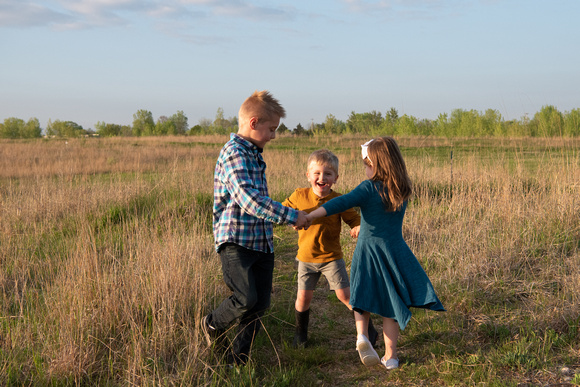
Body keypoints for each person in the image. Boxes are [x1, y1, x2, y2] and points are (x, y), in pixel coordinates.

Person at [304, 137, 445, 370]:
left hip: (368, 251)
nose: (366, 169)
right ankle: (391, 358)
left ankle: (362, 336)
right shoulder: (402, 188)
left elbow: (340, 203)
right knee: (391, 305)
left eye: (367, 164)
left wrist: (310, 215)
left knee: (361, 294)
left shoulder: (368, 188)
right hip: (394, 251)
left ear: (377, 164)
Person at [201, 90, 309, 366]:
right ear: (253, 122)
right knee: (246, 297)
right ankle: (212, 324)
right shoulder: (235, 153)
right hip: (236, 240)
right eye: (271, 129)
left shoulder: (253, 153)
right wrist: (291, 215)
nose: (273, 135)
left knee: (259, 304)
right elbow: (249, 200)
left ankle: (238, 361)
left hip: (261, 242)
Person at [282, 149, 379, 347]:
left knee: (345, 295)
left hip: (331, 258)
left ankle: (369, 330)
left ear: (335, 178)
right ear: (308, 175)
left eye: (327, 174)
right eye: (317, 173)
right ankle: (301, 334)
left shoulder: (339, 200)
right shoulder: (299, 195)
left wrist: (357, 227)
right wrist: (290, 217)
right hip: (306, 258)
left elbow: (354, 219)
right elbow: (283, 210)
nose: (322, 177)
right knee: (303, 297)